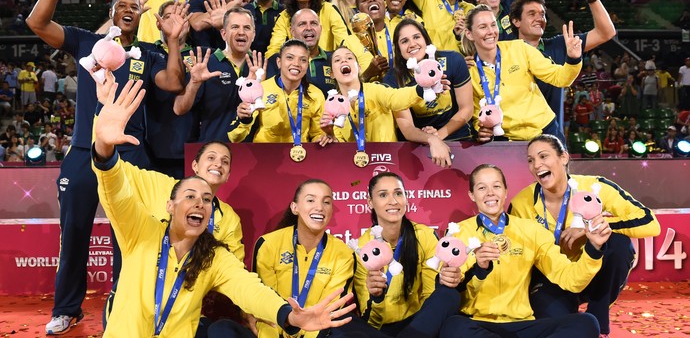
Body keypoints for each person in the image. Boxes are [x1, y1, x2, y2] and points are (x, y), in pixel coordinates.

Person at [91, 77, 356, 337]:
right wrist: (103, 145)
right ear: (170, 205)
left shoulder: (212, 257)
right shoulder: (141, 231)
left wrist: (287, 314)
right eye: (191, 196)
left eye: (207, 200)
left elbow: (247, 287)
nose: (200, 203)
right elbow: (115, 189)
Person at [26, 0, 186, 335]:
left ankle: (121, 305)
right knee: (75, 232)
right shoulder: (85, 42)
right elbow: (37, 23)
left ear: (141, 15)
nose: (129, 8)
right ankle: (67, 309)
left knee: (129, 236)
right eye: (122, 3)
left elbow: (174, 83)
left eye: (135, 5)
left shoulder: (148, 53)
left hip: (132, 156)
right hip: (84, 152)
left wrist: (174, 41)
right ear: (112, 11)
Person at [509, 134, 661, 336]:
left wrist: (593, 227)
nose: (537, 165)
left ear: (564, 157)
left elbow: (650, 222)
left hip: (591, 273)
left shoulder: (595, 187)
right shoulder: (521, 203)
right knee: (561, 329)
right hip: (550, 280)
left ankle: (599, 320)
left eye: (543, 156)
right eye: (530, 160)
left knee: (618, 244)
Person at [440, 163, 608, 338]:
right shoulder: (458, 232)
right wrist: (478, 267)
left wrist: (594, 249)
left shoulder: (531, 230)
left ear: (505, 191)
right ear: (472, 195)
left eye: (496, 186)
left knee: (586, 323)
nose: (490, 192)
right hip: (477, 323)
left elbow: (570, 279)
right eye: (482, 188)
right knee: (453, 327)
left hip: (522, 324)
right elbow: (455, 280)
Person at [350, 172, 461, 337]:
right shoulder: (362, 247)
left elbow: (430, 297)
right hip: (380, 329)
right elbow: (370, 318)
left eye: (398, 193)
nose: (393, 201)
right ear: (370, 203)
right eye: (383, 195)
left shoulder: (423, 235)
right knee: (348, 324)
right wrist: (377, 297)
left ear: (406, 199)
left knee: (449, 294)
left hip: (419, 324)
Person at [507, 0, 615, 129]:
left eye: (542, 14)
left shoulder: (560, 45)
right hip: (513, 139)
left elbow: (606, 33)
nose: (540, 18)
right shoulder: (504, 51)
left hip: (551, 139)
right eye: (532, 14)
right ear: (516, 21)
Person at [463, 5, 582, 145]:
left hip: (545, 131)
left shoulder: (520, 48)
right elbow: (477, 115)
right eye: (483, 27)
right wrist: (481, 130)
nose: (491, 32)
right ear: (469, 34)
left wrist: (573, 59)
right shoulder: (470, 72)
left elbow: (561, 78)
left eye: (493, 25)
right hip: (508, 141)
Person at [252, 179, 355, 338]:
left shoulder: (343, 253)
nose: (319, 207)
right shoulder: (268, 244)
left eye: (326, 202)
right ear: (295, 208)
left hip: (317, 332)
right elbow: (265, 303)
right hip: (273, 329)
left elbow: (328, 310)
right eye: (310, 200)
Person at [384, 18, 473, 167]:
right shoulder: (393, 79)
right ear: (398, 49)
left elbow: (467, 109)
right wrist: (430, 139)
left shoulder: (453, 61)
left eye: (417, 37)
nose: (412, 44)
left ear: (426, 39)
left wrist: (439, 135)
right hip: (419, 144)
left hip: (459, 138)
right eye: (404, 41)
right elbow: (407, 129)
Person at [173, 7, 255, 142]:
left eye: (247, 28)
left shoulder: (262, 66)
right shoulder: (207, 65)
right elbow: (178, 109)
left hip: (256, 153)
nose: (241, 32)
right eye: (235, 27)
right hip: (214, 151)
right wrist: (194, 84)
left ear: (253, 34)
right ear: (223, 33)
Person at [322, 46, 430, 146]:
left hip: (387, 161)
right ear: (332, 74)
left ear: (359, 68)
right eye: (337, 60)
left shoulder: (376, 90)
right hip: (357, 162)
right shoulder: (333, 106)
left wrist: (422, 88)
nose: (343, 60)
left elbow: (397, 98)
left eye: (349, 58)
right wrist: (331, 136)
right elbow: (341, 145)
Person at [229, 40, 330, 145]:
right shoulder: (261, 89)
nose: (296, 64)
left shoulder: (316, 94)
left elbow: (317, 133)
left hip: (300, 156)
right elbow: (235, 137)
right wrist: (245, 119)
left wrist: (321, 138)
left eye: (303, 60)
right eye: (290, 57)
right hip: (264, 155)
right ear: (279, 62)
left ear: (307, 65)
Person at [266, 0, 371, 70]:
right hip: (298, 67)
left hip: (328, 67)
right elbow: (274, 49)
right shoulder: (284, 17)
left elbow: (345, 40)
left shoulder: (329, 9)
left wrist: (366, 67)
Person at [140, 1, 197, 179]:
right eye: (168, 17)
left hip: (194, 151)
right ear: (158, 23)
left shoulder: (203, 56)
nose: (175, 21)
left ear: (188, 23)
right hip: (150, 151)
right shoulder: (144, 52)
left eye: (181, 16)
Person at [266, 9, 335, 97]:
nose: (309, 28)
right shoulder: (278, 61)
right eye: (302, 24)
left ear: (320, 29)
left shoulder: (334, 59)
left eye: (313, 23)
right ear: (292, 31)